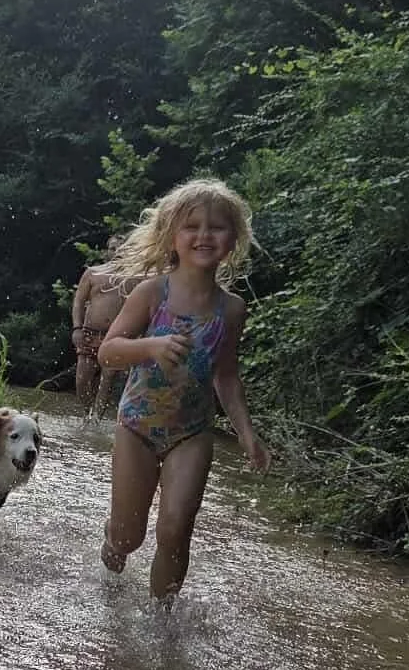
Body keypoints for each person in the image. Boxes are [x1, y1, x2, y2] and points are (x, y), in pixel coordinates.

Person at [96, 177, 269, 601]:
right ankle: (112, 543)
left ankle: (162, 622)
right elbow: (108, 353)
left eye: (216, 227)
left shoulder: (232, 309)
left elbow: (226, 375)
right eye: (192, 226)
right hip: (137, 426)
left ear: (233, 240)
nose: (204, 235)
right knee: (129, 536)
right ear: (172, 235)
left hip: (192, 433)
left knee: (175, 529)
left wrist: (247, 434)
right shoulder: (152, 293)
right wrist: (151, 346)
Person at [70, 240, 135, 414]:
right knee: (81, 381)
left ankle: (96, 421)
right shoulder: (93, 273)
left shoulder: (134, 277)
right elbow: (78, 302)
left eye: (122, 248)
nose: (118, 251)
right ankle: (86, 415)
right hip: (89, 333)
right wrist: (76, 328)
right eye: (113, 248)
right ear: (107, 251)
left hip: (116, 335)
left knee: (107, 382)